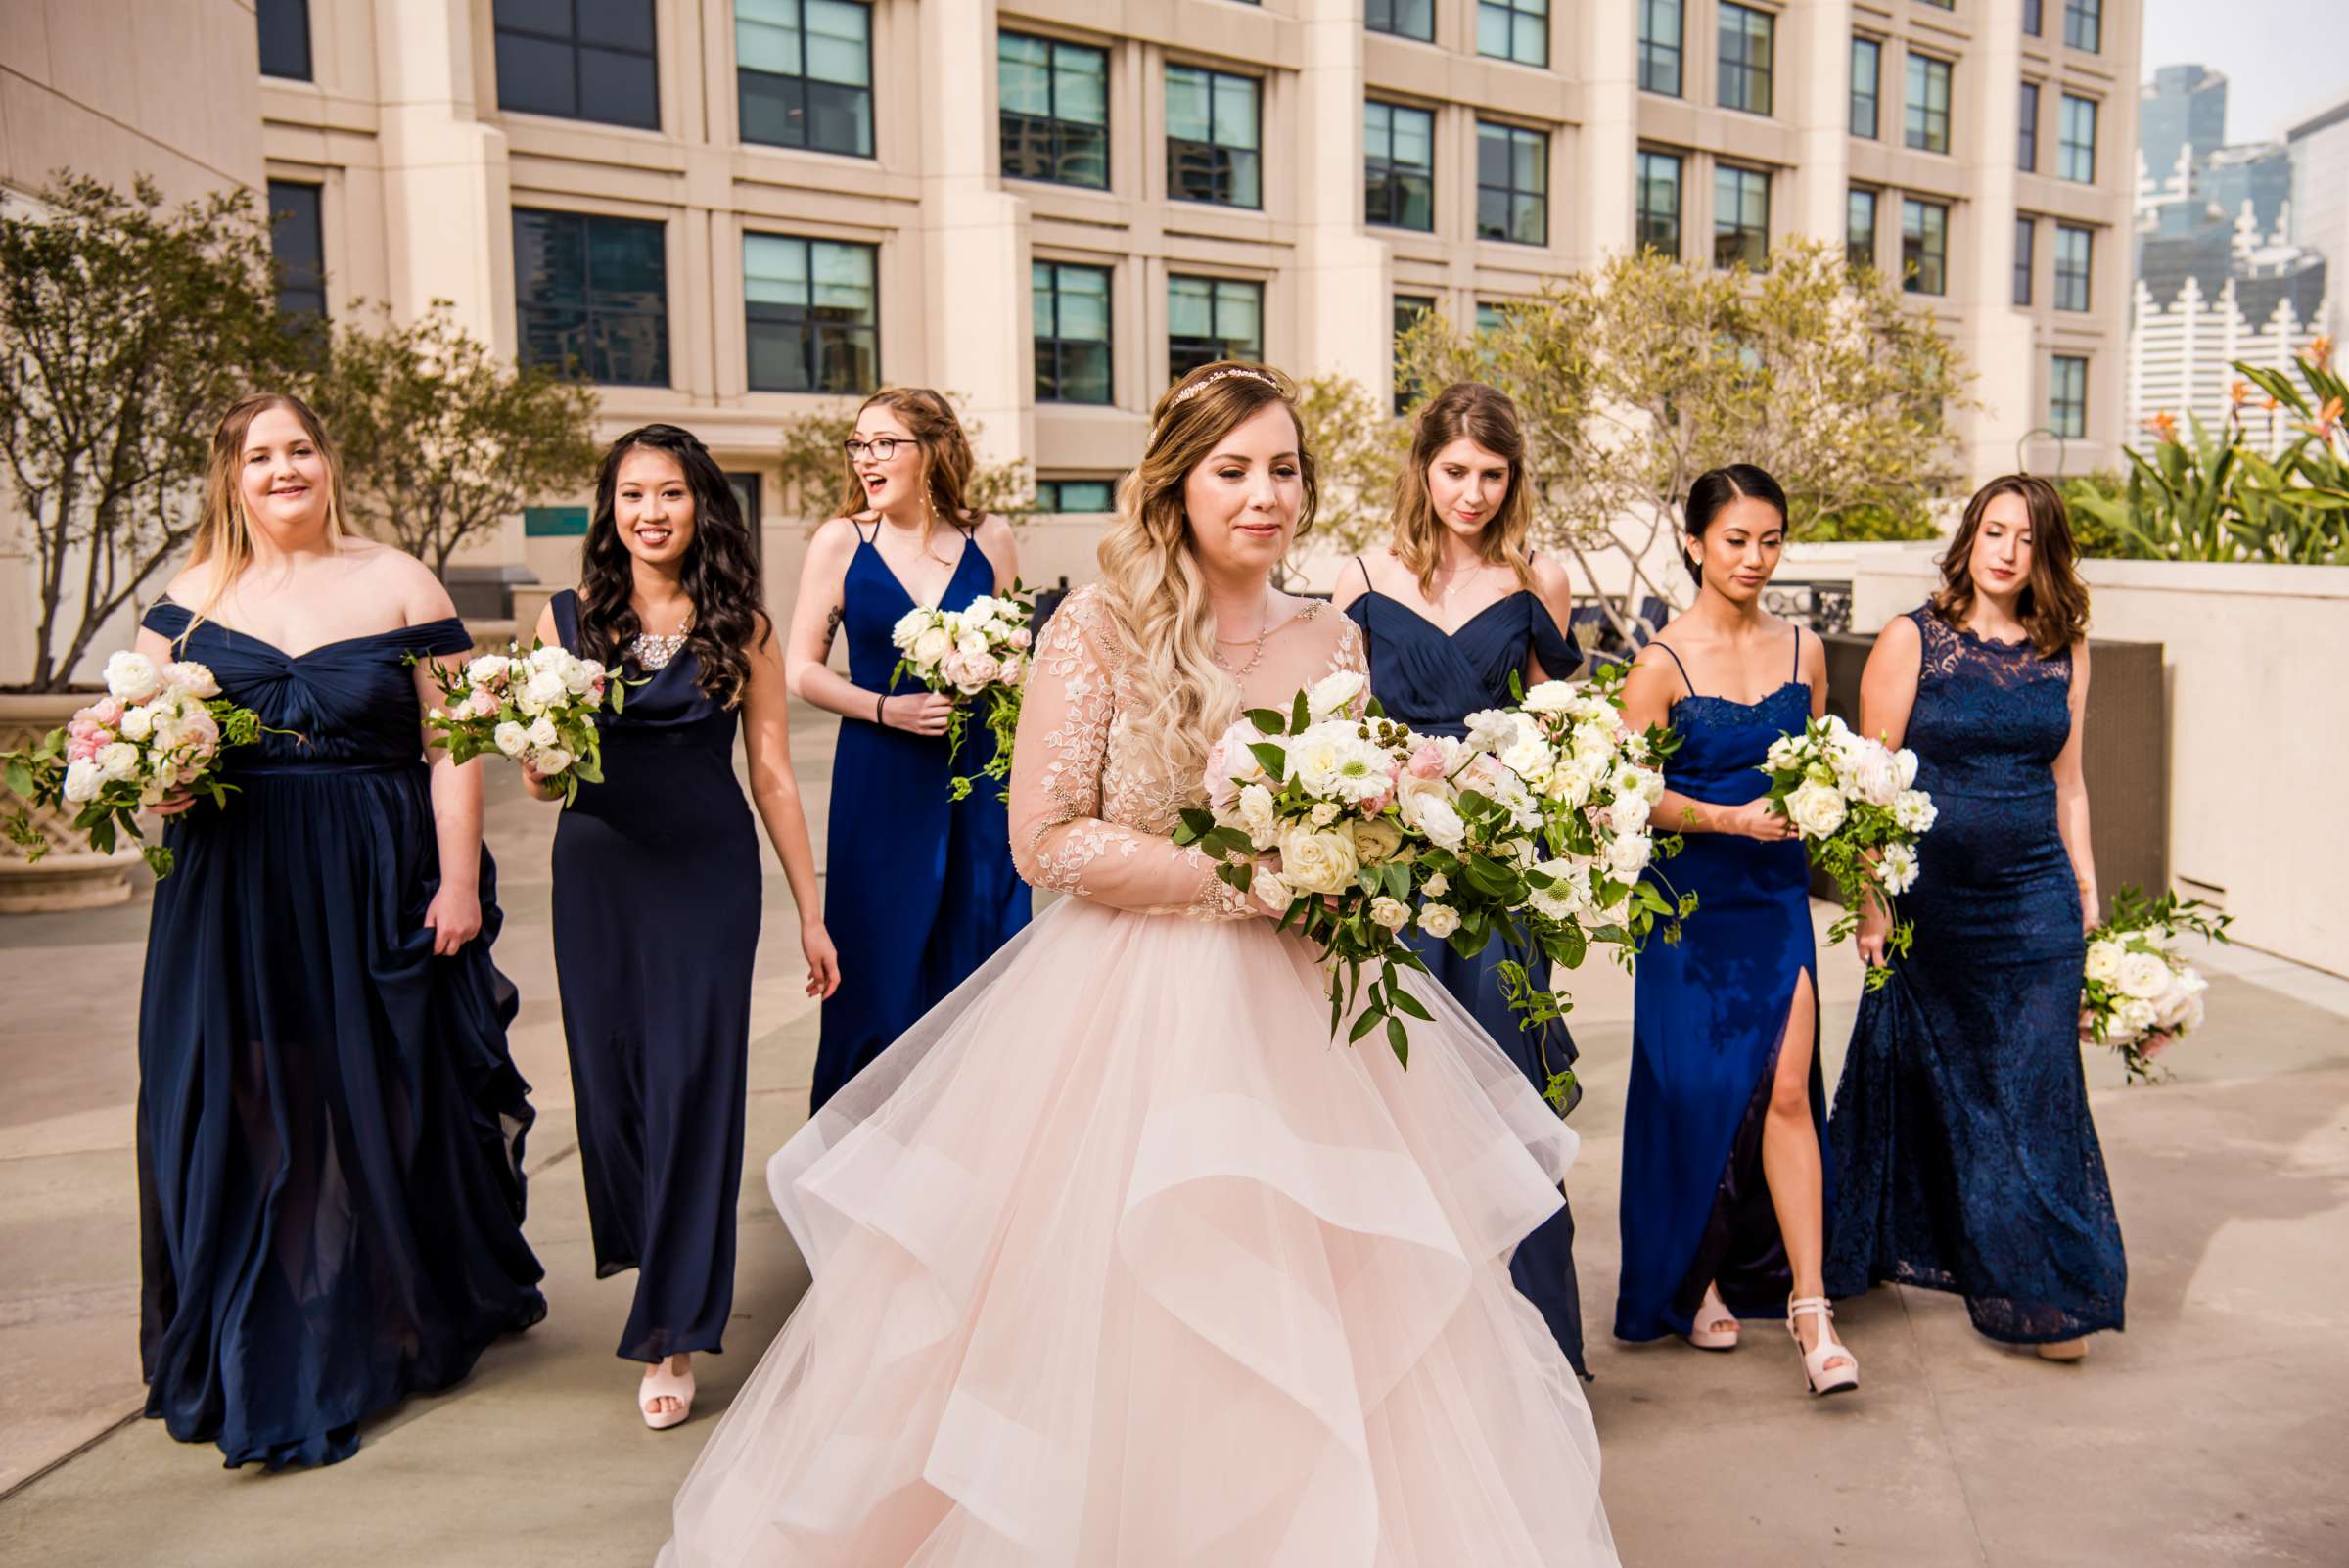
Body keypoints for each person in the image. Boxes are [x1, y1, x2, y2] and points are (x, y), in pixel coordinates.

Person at [657, 363, 1618, 1567]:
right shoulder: (1097, 628)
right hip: (1124, 1011)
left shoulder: (1330, 635)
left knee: (1323, 1305)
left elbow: (1360, 808)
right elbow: (1045, 837)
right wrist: (1242, 880)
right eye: (1234, 470)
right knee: (1113, 1309)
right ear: (1177, 484)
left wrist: (1364, 857)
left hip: (1303, 1012)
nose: (1265, 495)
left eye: (1283, 469)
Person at [133, 392, 544, 1468]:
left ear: (328, 461)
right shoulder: (183, 603)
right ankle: (278, 1311)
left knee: (385, 1083)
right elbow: (137, 758)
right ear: (231, 475)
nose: (283, 470)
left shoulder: (399, 579)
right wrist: (155, 796)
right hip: (233, 880)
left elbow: (455, 743)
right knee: (257, 1089)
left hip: (378, 863)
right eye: (260, 455)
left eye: (300, 449)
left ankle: (390, 1296)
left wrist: (459, 879)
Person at [526, 424, 840, 1430]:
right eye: (631, 495)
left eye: (669, 493)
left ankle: (671, 1327)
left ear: (701, 505)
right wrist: (533, 765)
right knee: (617, 1092)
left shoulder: (741, 624)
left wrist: (811, 913)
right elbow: (544, 774)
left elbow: (775, 775)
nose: (649, 512)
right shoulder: (564, 621)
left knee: (692, 1085)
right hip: (599, 879)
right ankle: (652, 1264)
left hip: (706, 878)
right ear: (608, 511)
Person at [1825, 474, 2121, 1360]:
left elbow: (2069, 785)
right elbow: (1870, 787)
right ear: (1970, 537)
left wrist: (2087, 891)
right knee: (1934, 1077)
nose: (2006, 551)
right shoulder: (1914, 639)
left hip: (2035, 899)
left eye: (2026, 539)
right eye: (1994, 531)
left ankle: (2042, 1287)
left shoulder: (2065, 647)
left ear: (2048, 554)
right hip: (1933, 902)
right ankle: (1907, 1241)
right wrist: (1873, 904)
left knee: (2035, 1086)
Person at [1331, 380, 1591, 1376]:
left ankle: (1526, 1354)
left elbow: (1563, 732)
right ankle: (1405, 1356)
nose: (1474, 492)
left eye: (1493, 474)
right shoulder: (1355, 574)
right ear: (1422, 468)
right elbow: (1334, 725)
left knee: (1504, 1101)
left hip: (1491, 877)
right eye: (1456, 472)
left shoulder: (1537, 581)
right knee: (1389, 1103)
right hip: (1390, 876)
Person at [1614, 464, 1858, 1396]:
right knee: (1695, 1097)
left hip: (1775, 900)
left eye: (1769, 540)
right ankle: (1693, 1274)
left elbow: (1822, 767)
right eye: (1735, 540)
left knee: (1789, 1090)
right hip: (1686, 908)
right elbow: (1630, 802)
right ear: (1694, 544)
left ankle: (1810, 1307)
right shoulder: (1658, 665)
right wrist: (1727, 819)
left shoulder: (1807, 651)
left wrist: (1836, 821)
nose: (1754, 559)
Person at [784, 389, 1029, 1112]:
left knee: (979, 958)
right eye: (859, 445)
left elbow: (1019, 656)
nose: (867, 459)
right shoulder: (842, 541)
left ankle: (972, 1143)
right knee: (880, 971)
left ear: (934, 451)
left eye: (884, 443)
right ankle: (858, 1153)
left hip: (979, 779)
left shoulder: (991, 538)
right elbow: (800, 669)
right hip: (881, 779)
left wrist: (997, 668)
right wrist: (886, 708)